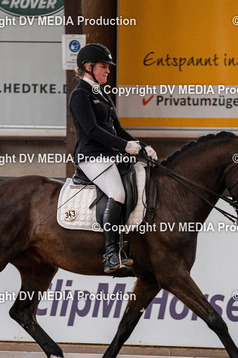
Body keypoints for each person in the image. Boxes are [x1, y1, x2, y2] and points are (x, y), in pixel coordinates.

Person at [68, 43, 158, 274]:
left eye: (108, 67)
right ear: (88, 67)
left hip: (110, 156)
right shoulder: (80, 95)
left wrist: (142, 146)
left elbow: (117, 130)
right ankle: (111, 254)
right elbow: (91, 130)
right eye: (103, 66)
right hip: (91, 157)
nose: (108, 71)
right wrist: (124, 146)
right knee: (117, 193)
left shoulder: (102, 94)